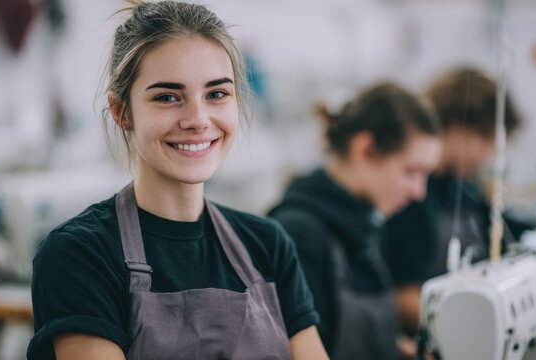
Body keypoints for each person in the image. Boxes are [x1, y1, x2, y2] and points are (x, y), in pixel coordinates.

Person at [26, 2, 328, 359]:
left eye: (216, 94)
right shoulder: (80, 255)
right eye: (168, 97)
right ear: (121, 111)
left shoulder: (268, 246)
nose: (198, 119)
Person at [268, 83, 443, 360]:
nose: (418, 192)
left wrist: (394, 348)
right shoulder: (298, 234)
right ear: (365, 149)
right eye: (411, 171)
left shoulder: (364, 223)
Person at [381, 68, 532, 337]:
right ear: (454, 126)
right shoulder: (409, 198)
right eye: (485, 139)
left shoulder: (462, 187)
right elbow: (402, 297)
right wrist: (461, 340)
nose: (489, 155)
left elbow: (506, 227)